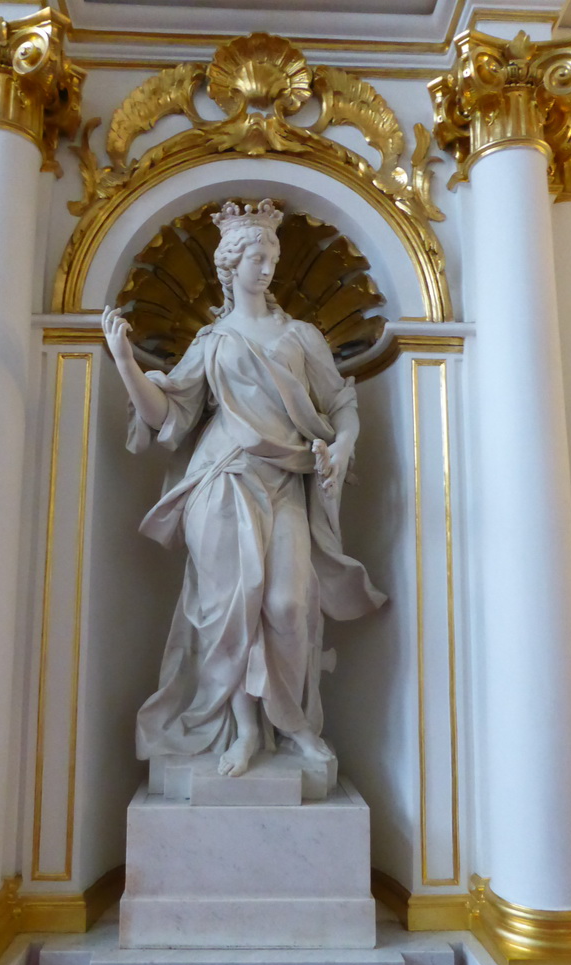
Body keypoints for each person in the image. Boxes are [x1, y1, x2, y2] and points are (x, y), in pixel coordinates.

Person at [102, 199, 385, 778]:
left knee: (286, 604)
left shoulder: (300, 336)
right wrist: (127, 363)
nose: (266, 267)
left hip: (285, 478)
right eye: (256, 256)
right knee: (230, 609)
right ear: (231, 264)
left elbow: (341, 403)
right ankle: (248, 731)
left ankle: (295, 724)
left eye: (272, 256)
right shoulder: (213, 340)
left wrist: (345, 443)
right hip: (222, 478)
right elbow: (167, 411)